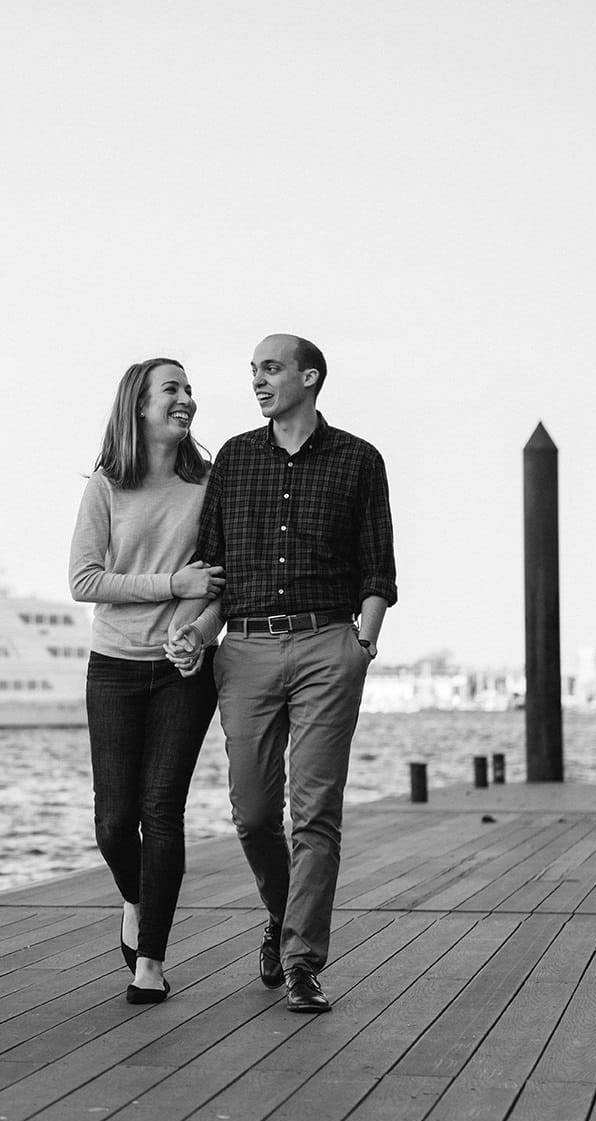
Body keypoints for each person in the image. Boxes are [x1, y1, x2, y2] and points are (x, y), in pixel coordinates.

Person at [169, 334, 396, 1014]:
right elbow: (216, 570)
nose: (258, 382)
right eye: (253, 372)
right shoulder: (235, 459)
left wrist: (364, 640)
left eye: (270, 369)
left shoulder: (358, 459)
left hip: (330, 644)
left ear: (310, 376)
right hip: (246, 651)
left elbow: (378, 566)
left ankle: (302, 962)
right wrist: (197, 634)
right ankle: (281, 912)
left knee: (316, 813)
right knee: (255, 813)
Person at [69, 357, 226, 1006]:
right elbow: (84, 582)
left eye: (189, 389)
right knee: (114, 820)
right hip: (113, 667)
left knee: (161, 811)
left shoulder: (209, 484)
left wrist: (198, 629)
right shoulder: (107, 487)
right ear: (139, 405)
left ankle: (151, 962)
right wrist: (171, 585)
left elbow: (221, 580)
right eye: (172, 389)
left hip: (184, 673)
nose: (186, 398)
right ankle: (134, 900)